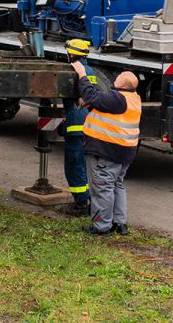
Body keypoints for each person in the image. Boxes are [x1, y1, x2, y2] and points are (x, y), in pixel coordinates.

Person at [74, 62, 141, 235]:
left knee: (102, 188)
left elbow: (91, 94)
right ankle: (120, 223)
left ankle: (101, 227)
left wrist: (82, 73)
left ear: (121, 84)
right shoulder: (132, 98)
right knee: (117, 186)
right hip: (123, 152)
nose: (115, 79)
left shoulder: (117, 98)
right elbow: (104, 106)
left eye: (117, 78)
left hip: (106, 152)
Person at [61, 39, 94, 217]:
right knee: (83, 164)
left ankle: (81, 204)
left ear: (71, 54)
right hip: (87, 123)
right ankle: (86, 200)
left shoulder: (74, 70)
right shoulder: (90, 70)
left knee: (74, 164)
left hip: (76, 123)